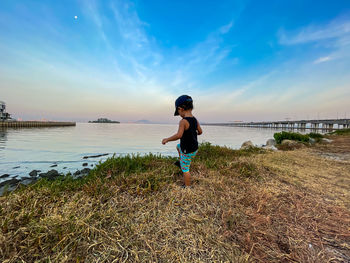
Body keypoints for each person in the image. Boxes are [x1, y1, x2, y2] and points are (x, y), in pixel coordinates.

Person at [162, 95, 202, 187]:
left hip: (187, 151)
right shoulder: (195, 120)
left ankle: (187, 186)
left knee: (185, 170)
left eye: (178, 112)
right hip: (195, 149)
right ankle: (181, 162)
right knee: (178, 146)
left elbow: (179, 135)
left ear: (180, 109)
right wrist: (193, 133)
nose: (179, 114)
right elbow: (200, 132)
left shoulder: (183, 122)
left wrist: (167, 139)